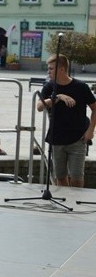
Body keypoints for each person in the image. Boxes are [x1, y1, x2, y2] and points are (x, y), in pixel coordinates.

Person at [36, 54, 96, 187]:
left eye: (51, 68)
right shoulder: (49, 87)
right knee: (60, 177)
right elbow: (40, 107)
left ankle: (75, 204)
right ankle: (63, 202)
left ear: (62, 69)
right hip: (56, 138)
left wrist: (91, 130)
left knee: (77, 177)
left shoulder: (81, 87)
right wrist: (57, 97)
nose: (48, 71)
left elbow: (95, 108)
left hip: (78, 139)